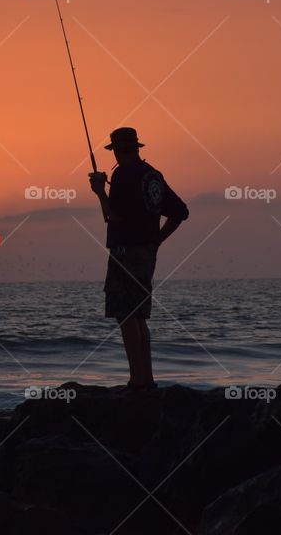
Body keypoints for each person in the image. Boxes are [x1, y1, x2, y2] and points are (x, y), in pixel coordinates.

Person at [88, 127, 189, 390]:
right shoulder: (152, 174)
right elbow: (180, 212)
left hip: (125, 251)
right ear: (137, 147)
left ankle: (137, 380)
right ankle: (147, 380)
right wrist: (156, 241)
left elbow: (115, 216)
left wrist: (100, 191)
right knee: (139, 315)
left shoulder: (123, 174)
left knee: (126, 314)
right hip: (146, 253)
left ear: (116, 150)